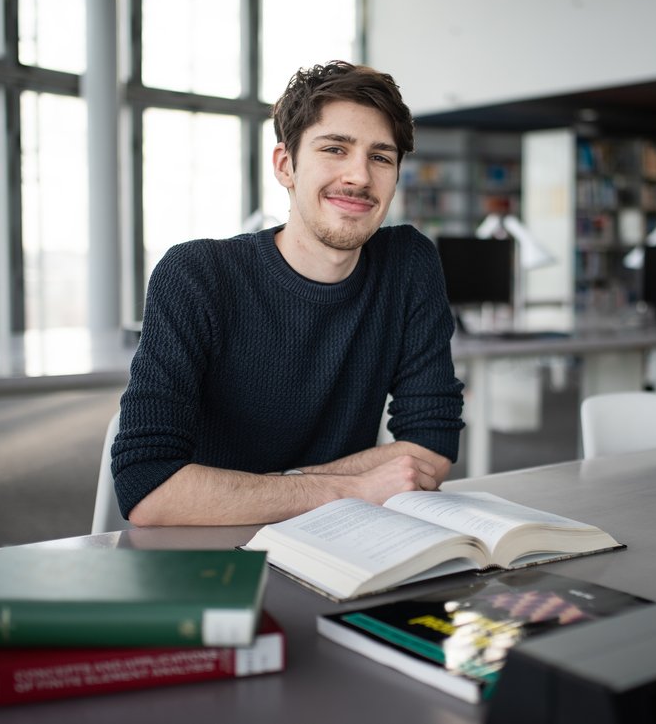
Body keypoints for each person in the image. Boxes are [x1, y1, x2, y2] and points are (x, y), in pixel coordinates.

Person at [112, 60, 465, 527]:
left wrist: (272, 487)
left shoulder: (408, 263)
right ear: (286, 165)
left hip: (343, 539)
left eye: (380, 157)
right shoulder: (197, 275)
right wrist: (350, 488)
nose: (359, 176)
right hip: (210, 548)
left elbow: (432, 444)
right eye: (335, 149)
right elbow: (149, 486)